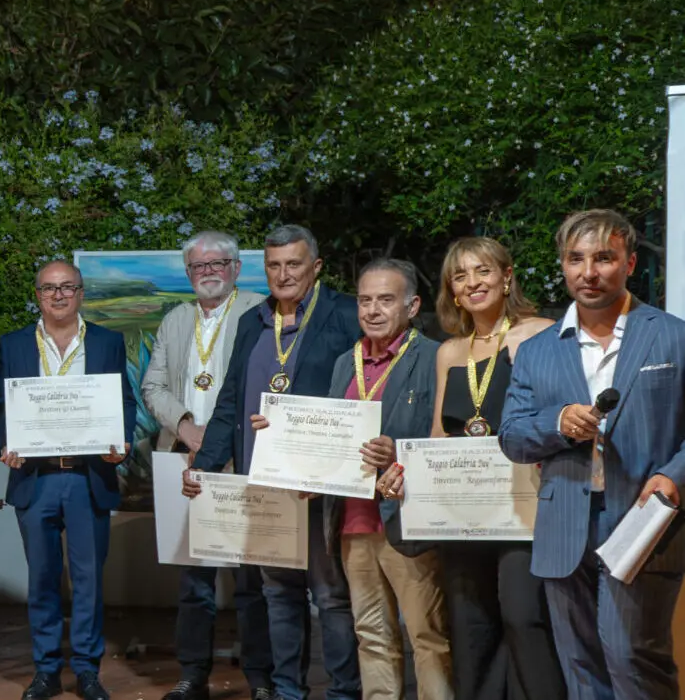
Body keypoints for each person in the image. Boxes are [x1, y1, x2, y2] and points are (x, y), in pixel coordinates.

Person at [500, 209, 685, 699]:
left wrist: (675, 476)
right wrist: (557, 424)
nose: (589, 272)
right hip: (564, 523)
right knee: (580, 664)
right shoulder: (538, 350)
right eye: (576, 259)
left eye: (603, 257)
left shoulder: (672, 335)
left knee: (632, 657)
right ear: (562, 265)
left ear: (628, 262)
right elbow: (513, 436)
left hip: (643, 523)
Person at [185, 224, 362, 700]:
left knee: (330, 597)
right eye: (274, 265)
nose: (283, 274)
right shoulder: (253, 321)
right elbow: (228, 403)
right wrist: (205, 462)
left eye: (294, 264)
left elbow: (365, 393)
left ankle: (344, 692)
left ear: (316, 267)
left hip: (321, 486)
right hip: (262, 483)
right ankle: (287, 690)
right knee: (278, 596)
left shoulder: (345, 315)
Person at [423, 237, 561, 700]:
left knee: (523, 616)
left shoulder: (542, 333)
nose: (472, 282)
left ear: (506, 275)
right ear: (452, 293)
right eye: (459, 276)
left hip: (522, 506)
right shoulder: (449, 352)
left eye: (482, 270)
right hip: (465, 510)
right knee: (470, 624)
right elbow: (439, 437)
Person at [0, 261, 134, 700]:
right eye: (49, 289)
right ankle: (46, 670)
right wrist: (6, 441)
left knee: (89, 581)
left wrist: (120, 443)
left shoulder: (108, 342)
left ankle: (88, 671)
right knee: (42, 580)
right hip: (36, 477)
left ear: (81, 293)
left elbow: (124, 401)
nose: (58, 296)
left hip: (88, 475)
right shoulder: (14, 344)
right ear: (37, 295)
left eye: (67, 287)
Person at [141, 231, 270, 700]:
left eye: (218, 263)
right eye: (198, 266)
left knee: (251, 576)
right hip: (186, 458)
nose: (208, 271)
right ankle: (192, 674)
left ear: (236, 268)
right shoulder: (175, 319)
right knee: (194, 578)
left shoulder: (260, 312)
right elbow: (153, 386)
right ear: (189, 273)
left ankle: (260, 677)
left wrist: (217, 440)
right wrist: (186, 427)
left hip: (243, 459)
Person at [316, 259, 449, 700]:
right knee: (370, 634)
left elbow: (445, 439)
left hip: (406, 520)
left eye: (386, 300)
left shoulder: (435, 357)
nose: (372, 310)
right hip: (353, 522)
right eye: (365, 300)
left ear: (412, 306)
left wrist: (400, 454)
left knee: (427, 637)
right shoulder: (343, 364)